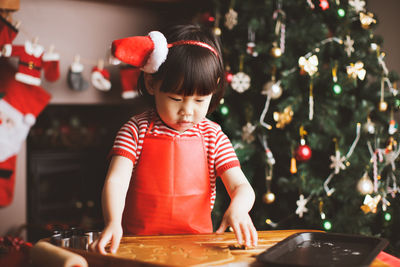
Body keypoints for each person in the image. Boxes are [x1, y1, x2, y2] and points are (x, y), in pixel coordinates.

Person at [92, 24, 258, 255]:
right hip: (138, 246)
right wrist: (112, 222)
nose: (187, 111)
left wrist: (238, 209)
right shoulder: (135, 130)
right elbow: (116, 181)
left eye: (200, 101)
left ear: (215, 89)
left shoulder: (213, 136)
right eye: (176, 98)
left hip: (197, 248)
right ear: (152, 84)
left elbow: (241, 186)